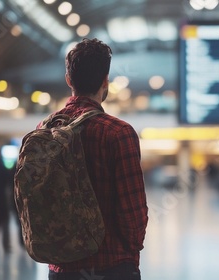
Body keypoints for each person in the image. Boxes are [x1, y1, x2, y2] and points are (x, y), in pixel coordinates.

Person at [45, 38, 148, 280]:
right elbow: (133, 212)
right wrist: (131, 250)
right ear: (105, 82)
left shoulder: (44, 130)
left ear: (68, 80)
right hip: (112, 265)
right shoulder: (118, 132)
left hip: (61, 269)